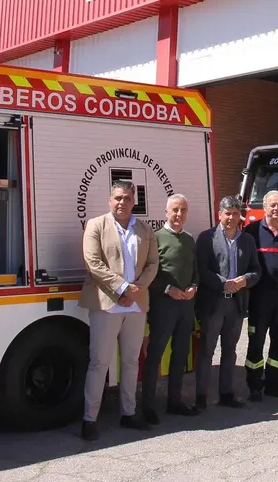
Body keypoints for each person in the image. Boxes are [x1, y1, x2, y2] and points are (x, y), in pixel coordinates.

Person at [79, 180, 160, 440]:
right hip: (106, 304)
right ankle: (89, 420)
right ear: (109, 200)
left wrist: (137, 290)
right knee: (99, 363)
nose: (121, 202)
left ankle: (128, 414)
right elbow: (93, 263)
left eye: (126, 197)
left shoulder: (144, 229)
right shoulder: (96, 225)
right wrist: (124, 288)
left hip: (136, 306)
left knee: (130, 362)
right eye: (117, 197)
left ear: (134, 200)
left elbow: (153, 263)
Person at [194, 195, 261, 409]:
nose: (231, 217)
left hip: (236, 304)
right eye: (227, 213)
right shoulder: (207, 238)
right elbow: (201, 270)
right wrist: (223, 283)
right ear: (219, 214)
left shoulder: (247, 240)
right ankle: (201, 395)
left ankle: (226, 393)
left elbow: (256, 270)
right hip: (214, 303)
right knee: (206, 350)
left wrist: (245, 280)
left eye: (234, 214)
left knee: (230, 350)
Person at [141, 194, 200, 424]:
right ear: (166, 212)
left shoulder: (189, 239)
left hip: (186, 306)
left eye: (183, 210)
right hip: (163, 306)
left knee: (180, 355)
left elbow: (195, 270)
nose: (179, 214)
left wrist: (194, 286)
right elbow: (148, 274)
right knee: (154, 355)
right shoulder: (155, 238)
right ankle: (147, 406)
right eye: (175, 210)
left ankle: (174, 401)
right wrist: (168, 290)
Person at [242, 190, 278, 401]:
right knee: (256, 341)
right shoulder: (252, 231)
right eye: (272, 205)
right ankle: (254, 386)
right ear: (264, 207)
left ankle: (273, 383)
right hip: (259, 297)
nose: (276, 209)